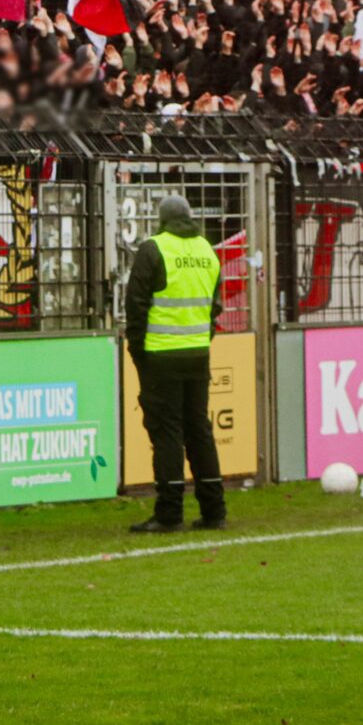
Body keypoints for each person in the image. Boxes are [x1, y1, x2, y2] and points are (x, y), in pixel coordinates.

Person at [122, 193, 226, 532]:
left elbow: (135, 305)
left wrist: (137, 350)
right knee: (199, 429)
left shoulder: (153, 249)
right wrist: (202, 338)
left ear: (162, 220)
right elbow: (214, 306)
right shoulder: (207, 250)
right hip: (198, 353)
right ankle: (214, 510)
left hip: (160, 355)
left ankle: (169, 513)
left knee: (167, 433)